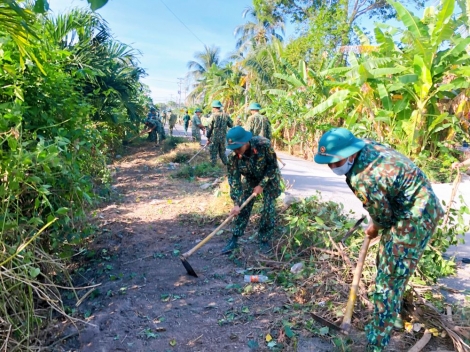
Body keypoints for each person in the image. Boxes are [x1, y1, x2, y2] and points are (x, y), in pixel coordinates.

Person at [313, 128, 444, 352]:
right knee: (387, 265)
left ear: (350, 155)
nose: (333, 167)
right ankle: (392, 313)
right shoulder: (364, 147)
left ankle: (376, 343)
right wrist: (378, 223)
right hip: (409, 206)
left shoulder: (363, 177)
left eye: (336, 162)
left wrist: (374, 227)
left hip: (415, 217)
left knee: (387, 281)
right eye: (329, 163)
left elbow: (383, 217)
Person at [221, 126, 282, 254]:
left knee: (268, 209)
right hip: (251, 179)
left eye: (238, 148)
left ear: (245, 142)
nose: (236, 151)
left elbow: (273, 166)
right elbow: (234, 180)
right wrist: (236, 203)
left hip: (269, 178)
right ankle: (234, 239)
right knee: (243, 207)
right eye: (233, 149)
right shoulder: (233, 157)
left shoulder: (263, 144)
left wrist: (262, 184)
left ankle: (264, 239)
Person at [206, 100, 233, 166]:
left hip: (214, 138)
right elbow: (231, 125)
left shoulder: (213, 116)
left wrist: (208, 137)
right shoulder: (226, 115)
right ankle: (227, 165)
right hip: (223, 138)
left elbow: (210, 128)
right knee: (222, 153)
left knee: (213, 153)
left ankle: (213, 166)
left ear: (214, 108)